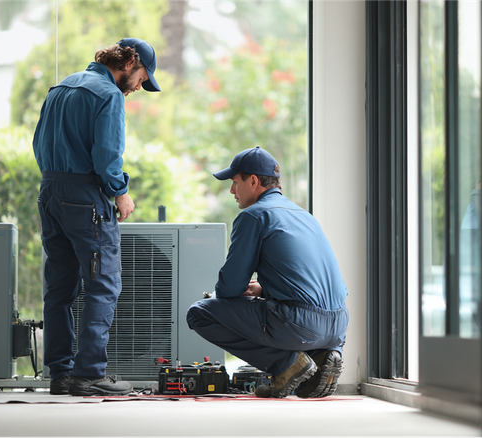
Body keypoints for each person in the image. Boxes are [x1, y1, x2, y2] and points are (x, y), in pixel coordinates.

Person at [32, 38, 161, 396]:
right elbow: (106, 156)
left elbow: (37, 142)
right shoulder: (108, 94)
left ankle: (60, 373)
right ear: (129, 63)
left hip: (50, 192)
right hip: (85, 197)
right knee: (103, 283)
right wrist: (120, 191)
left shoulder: (61, 87)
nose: (138, 87)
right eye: (141, 78)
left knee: (58, 287)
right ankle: (88, 374)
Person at [186, 146, 349, 398]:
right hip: (337, 327)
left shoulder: (253, 216)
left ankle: (287, 364)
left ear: (253, 181)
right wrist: (264, 288)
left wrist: (238, 290)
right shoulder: (304, 215)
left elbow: (229, 288)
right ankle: (323, 355)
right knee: (279, 311)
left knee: (199, 313)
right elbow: (310, 277)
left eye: (234, 182)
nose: (231, 190)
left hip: (300, 324)